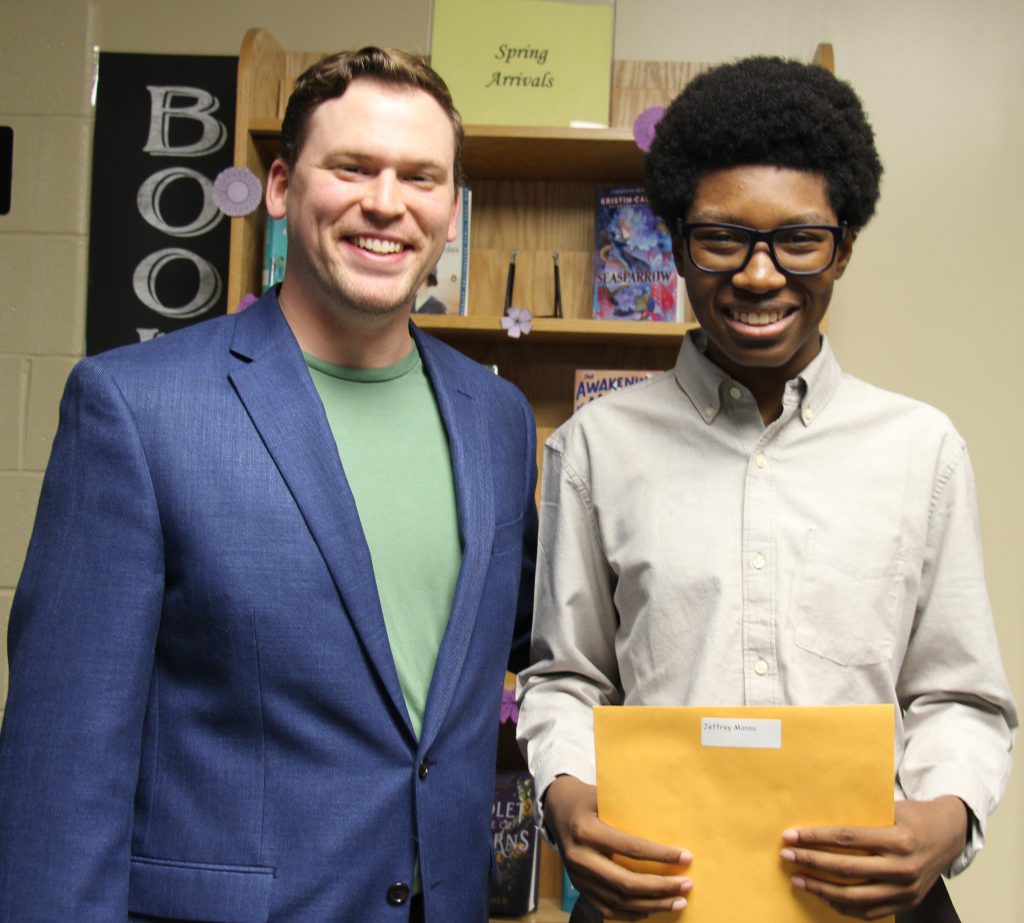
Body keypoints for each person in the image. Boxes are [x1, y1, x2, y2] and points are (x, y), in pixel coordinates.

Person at [0, 48, 537, 923]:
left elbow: (537, 654)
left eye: (421, 176)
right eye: (353, 167)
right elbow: (61, 768)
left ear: (450, 211)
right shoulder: (136, 409)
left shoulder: (497, 420)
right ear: (282, 186)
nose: (386, 202)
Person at [516, 56, 1016, 922]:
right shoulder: (596, 447)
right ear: (675, 244)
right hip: (652, 900)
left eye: (798, 238)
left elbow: (958, 694)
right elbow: (568, 675)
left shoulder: (921, 448)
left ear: (844, 247)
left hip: (869, 907)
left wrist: (945, 816)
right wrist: (566, 799)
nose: (757, 274)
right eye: (721, 238)